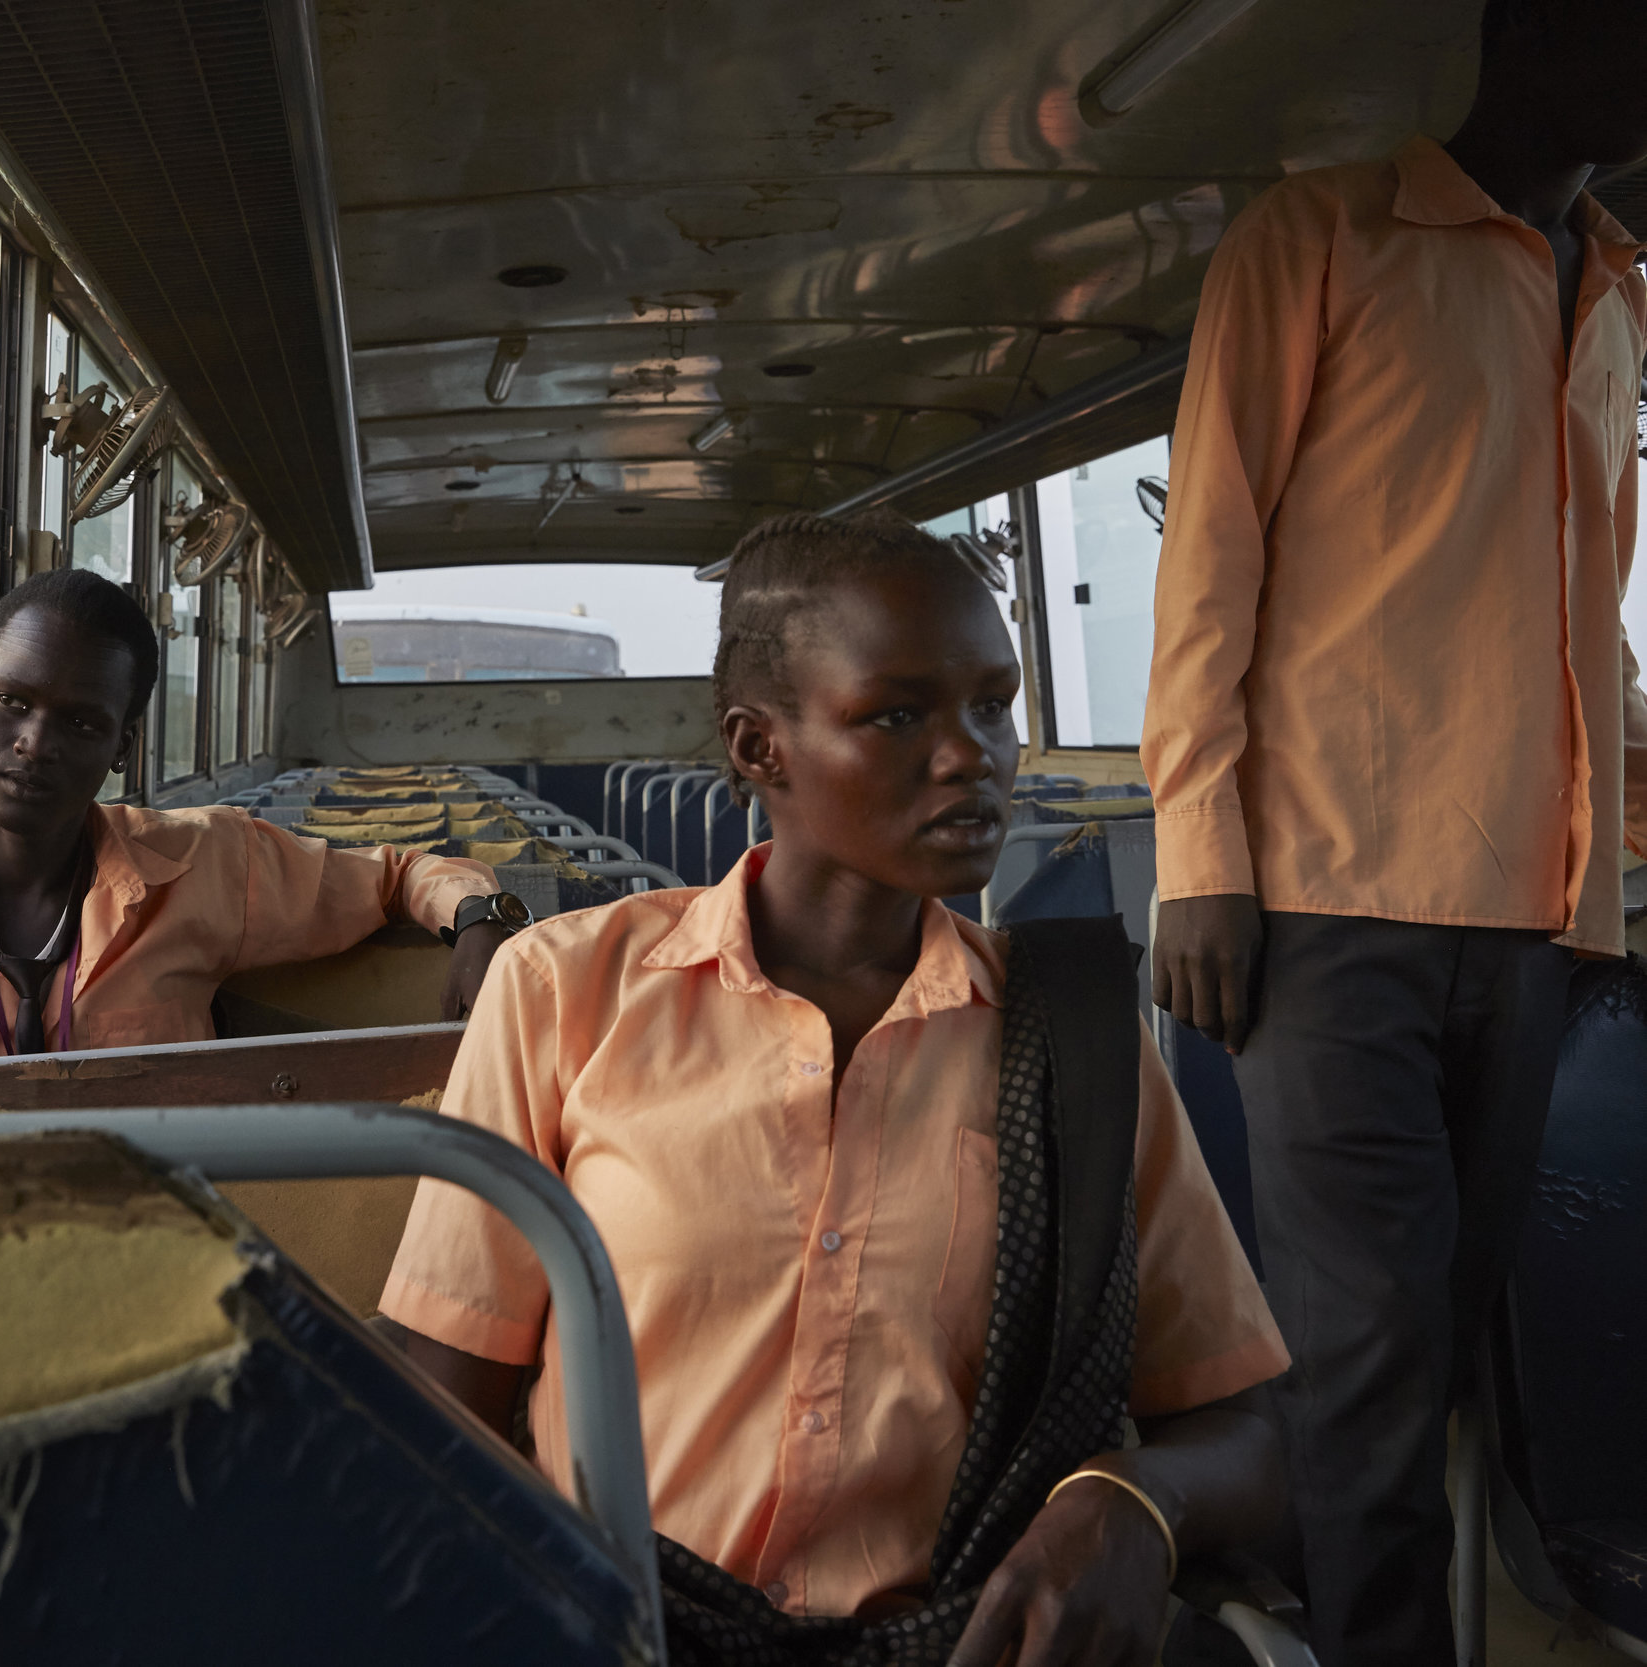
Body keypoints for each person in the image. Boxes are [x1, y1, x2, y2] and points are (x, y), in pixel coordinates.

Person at [381, 513, 1288, 1665]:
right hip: (623, 1628)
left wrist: (1133, 1499)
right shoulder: (567, 990)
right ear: (760, 748)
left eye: (992, 705)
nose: (971, 754)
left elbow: (1242, 1428)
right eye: (897, 714)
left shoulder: (1078, 1040)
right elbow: (443, 1407)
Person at [1143, 3, 1647, 1658]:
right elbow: (1209, 557)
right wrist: (1200, 856)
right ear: (1536, 30)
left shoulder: (1621, 289)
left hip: (1531, 912)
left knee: (1426, 1353)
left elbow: (1588, 613)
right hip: (1325, 895)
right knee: (1364, 1364)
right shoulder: (1322, 235)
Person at [0, 569, 517, 1066]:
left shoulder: (209, 864)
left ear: (120, 748)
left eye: (79, 723)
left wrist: (480, 916)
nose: (33, 742)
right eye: (11, 702)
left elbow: (397, 876)